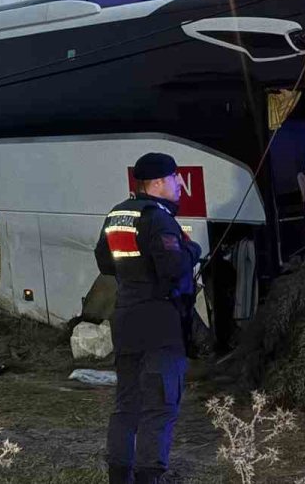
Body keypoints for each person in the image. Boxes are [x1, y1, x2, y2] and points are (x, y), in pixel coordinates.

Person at [94, 152, 202, 484]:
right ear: (157, 183)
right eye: (174, 178)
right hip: (159, 324)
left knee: (127, 405)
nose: (179, 184)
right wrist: (193, 250)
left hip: (125, 320)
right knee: (159, 406)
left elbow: (104, 262)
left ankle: (119, 477)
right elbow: (173, 267)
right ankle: (148, 477)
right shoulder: (158, 218)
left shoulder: (117, 214)